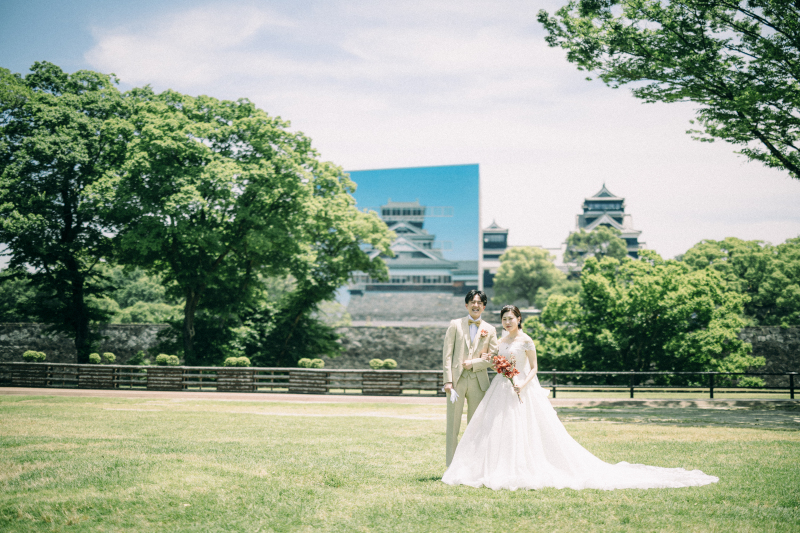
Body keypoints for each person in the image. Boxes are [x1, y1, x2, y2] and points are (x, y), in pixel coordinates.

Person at [442, 304, 719, 490]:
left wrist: (522, 384)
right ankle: (491, 467)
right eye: (504, 319)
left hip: (522, 389)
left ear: (519, 320)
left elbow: (535, 368)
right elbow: (492, 360)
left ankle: (525, 466)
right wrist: (493, 365)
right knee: (493, 429)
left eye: (511, 319)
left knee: (527, 430)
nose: (506, 322)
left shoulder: (527, 341)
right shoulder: (499, 341)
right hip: (500, 389)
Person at [442, 289, 499, 466]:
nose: (476, 305)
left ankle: (473, 466)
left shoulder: (490, 329)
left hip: (479, 382)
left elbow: (493, 356)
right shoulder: (455, 324)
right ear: (466, 305)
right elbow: (447, 354)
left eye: (479, 302)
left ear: (484, 306)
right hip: (456, 382)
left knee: (476, 425)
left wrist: (474, 363)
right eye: (472, 302)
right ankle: (451, 466)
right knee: (453, 425)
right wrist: (448, 380)